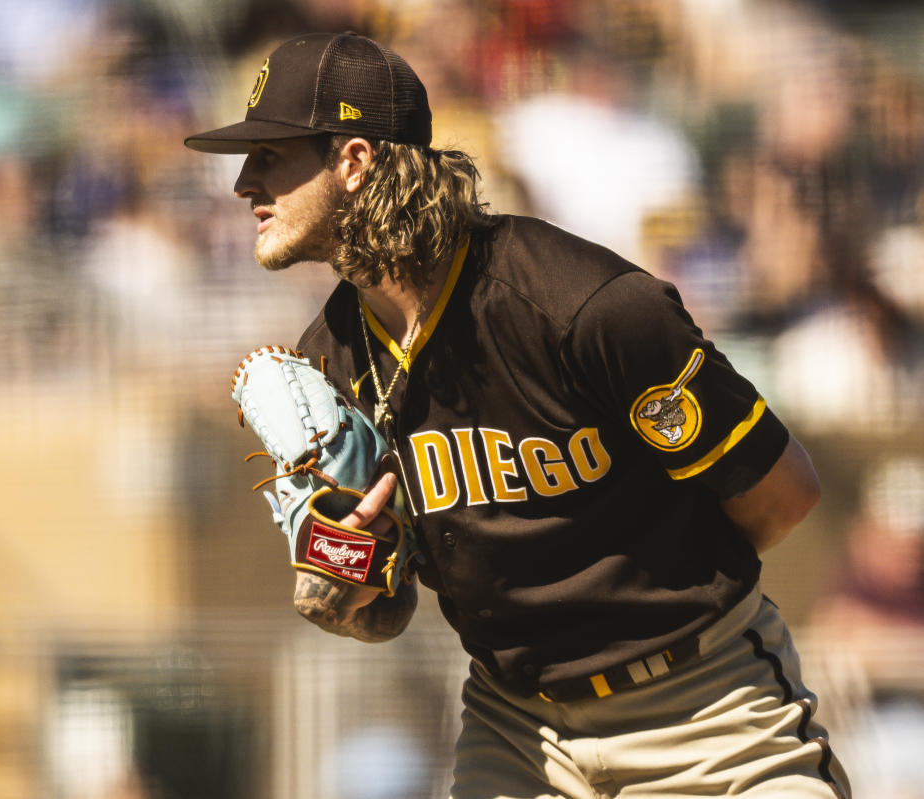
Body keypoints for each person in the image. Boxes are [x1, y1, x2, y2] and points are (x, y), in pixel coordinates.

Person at [185, 32, 850, 798]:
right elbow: (374, 612)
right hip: (518, 734)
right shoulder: (331, 358)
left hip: (704, 713)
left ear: (354, 162)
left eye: (269, 155)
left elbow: (783, 493)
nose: (242, 182)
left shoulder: (580, 306)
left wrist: (660, 600)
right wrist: (345, 569)